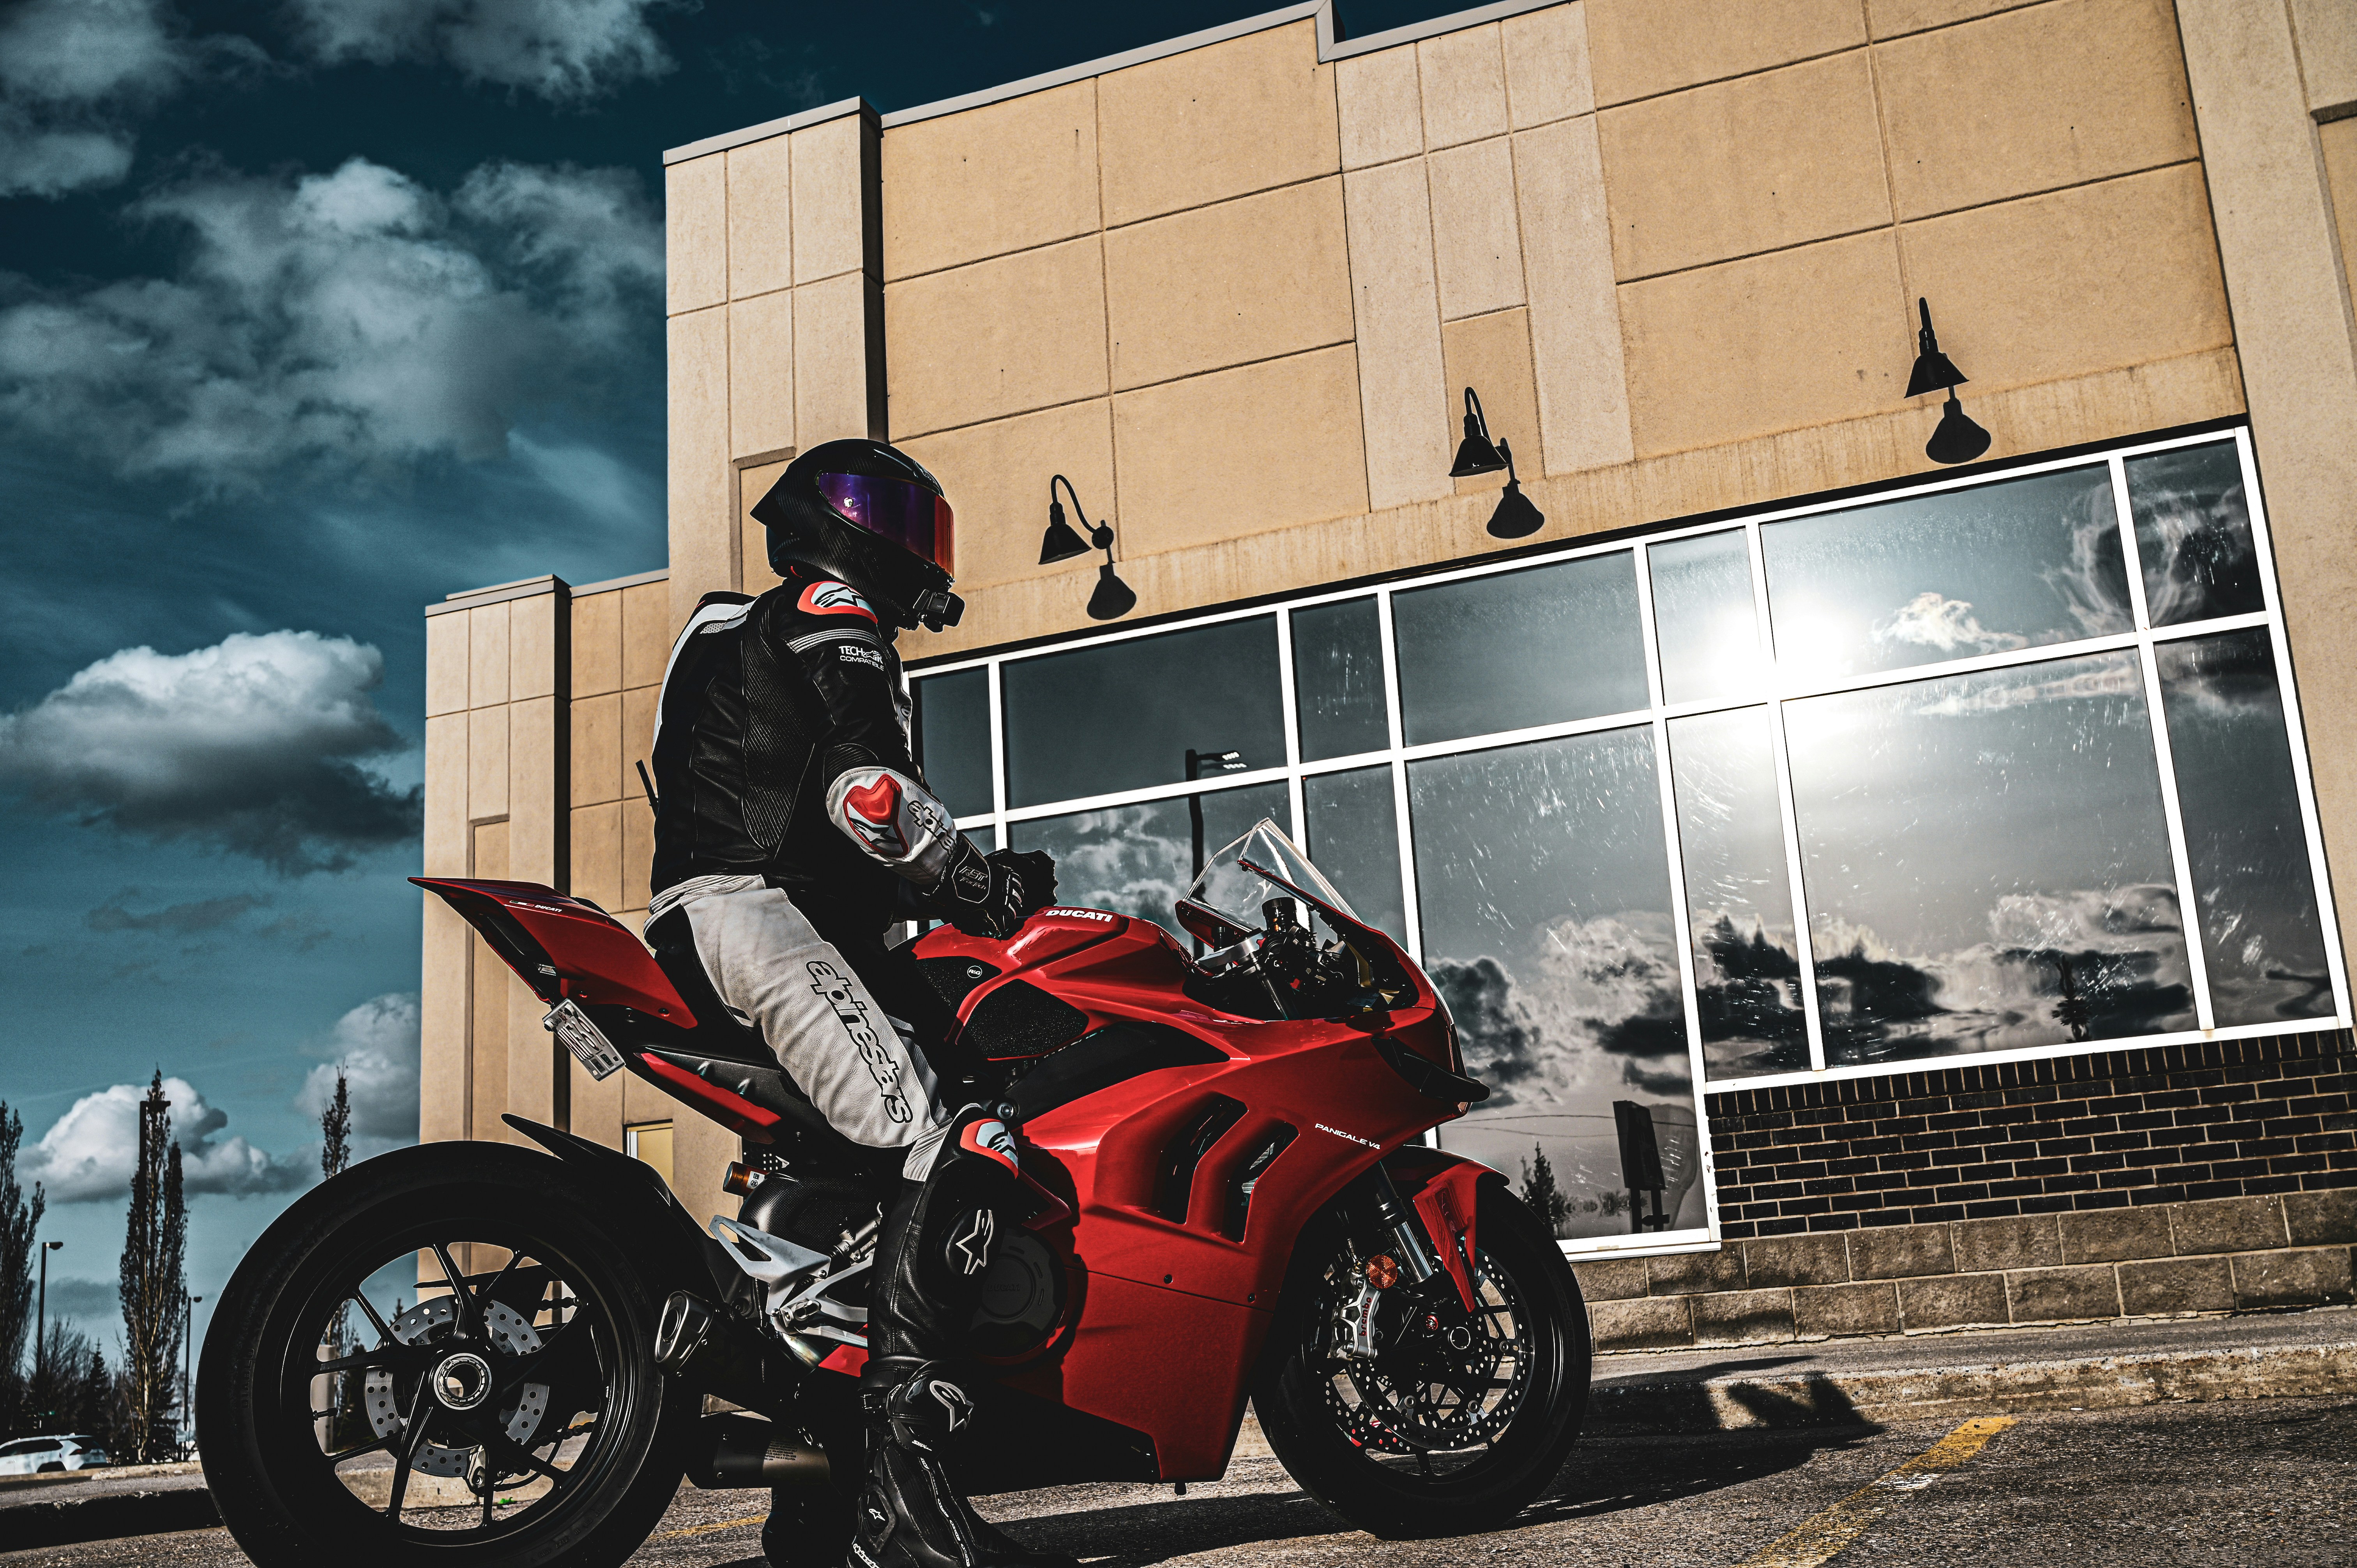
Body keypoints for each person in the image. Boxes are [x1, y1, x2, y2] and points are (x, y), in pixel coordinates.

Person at [643, 438, 1071, 1568]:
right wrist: (977, 881)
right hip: (761, 916)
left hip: (726, 916)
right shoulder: (835, 615)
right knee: (957, 1139)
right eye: (898, 514)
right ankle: (908, 1504)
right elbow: (865, 795)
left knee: (852, 1188)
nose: (915, 543)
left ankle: (818, 1511)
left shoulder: (738, 627)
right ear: (845, 521)